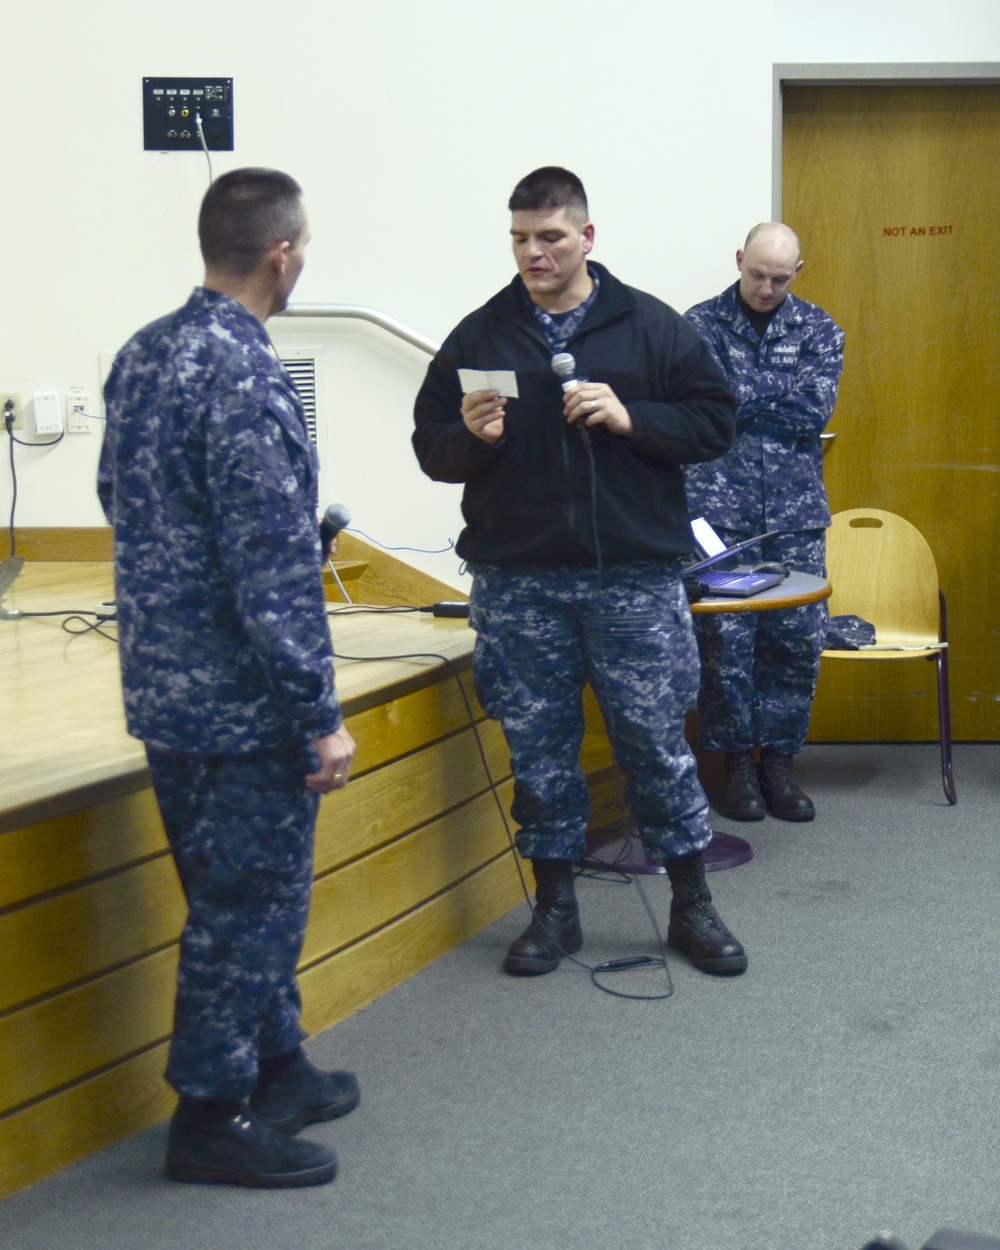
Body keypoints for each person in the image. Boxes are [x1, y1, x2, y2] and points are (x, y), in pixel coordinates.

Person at [413, 166, 747, 980]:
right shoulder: (481, 335)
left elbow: (716, 421)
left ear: (587, 238)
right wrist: (468, 436)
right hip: (519, 583)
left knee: (655, 744)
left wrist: (635, 418)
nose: (534, 253)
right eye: (521, 239)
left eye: (551, 238)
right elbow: (432, 451)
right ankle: (554, 909)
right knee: (539, 751)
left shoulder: (650, 327)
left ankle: (691, 903)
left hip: (631, 580)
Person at [98, 168, 358, 1189]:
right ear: (282, 254)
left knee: (229, 890)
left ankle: (278, 1066)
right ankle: (209, 1113)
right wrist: (318, 715)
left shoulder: (144, 350)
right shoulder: (248, 373)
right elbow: (268, 565)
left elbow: (120, 496)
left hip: (165, 685)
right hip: (246, 700)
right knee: (246, 906)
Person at [684, 223, 844, 822]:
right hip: (715, 517)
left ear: (797, 272)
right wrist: (760, 400)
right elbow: (697, 408)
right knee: (725, 645)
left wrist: (733, 402)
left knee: (794, 644)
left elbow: (815, 408)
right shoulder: (696, 326)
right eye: (756, 274)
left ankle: (780, 763)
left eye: (780, 277)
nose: (766, 287)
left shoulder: (819, 329)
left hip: (795, 516)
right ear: (738, 261)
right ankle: (737, 767)